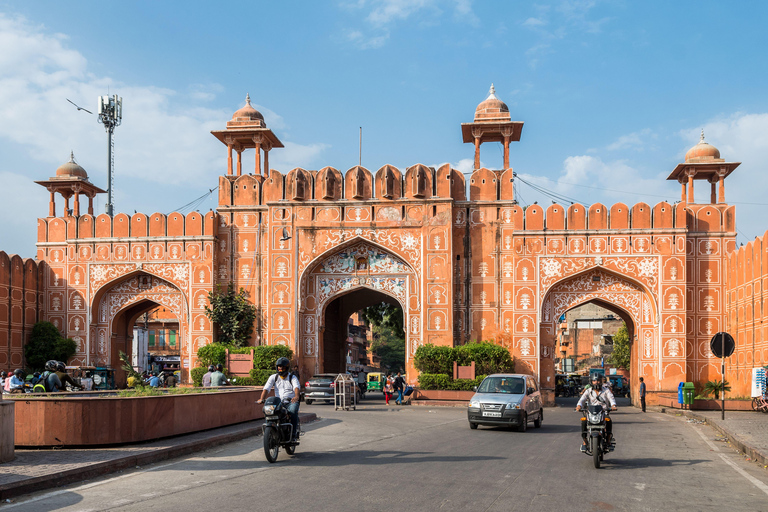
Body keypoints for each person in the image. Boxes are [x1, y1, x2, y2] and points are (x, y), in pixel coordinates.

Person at [257, 357, 301, 441]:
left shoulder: (292, 377)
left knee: (293, 410)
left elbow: (296, 387)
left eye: (282, 367)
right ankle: (269, 433)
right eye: (278, 367)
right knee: (268, 412)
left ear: (286, 368)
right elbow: (266, 388)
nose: (280, 369)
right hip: (278, 402)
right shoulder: (274, 377)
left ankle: (293, 434)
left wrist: (296, 396)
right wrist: (261, 398)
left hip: (290, 401)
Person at [576, 373, 617, 453]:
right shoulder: (588, 391)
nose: (596, 382)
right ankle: (585, 441)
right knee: (584, 421)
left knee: (608, 421)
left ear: (601, 381)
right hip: (591, 413)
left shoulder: (606, 390)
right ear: (591, 381)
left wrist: (613, 405)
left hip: (603, 412)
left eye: (598, 380)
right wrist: (579, 406)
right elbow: (582, 399)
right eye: (594, 380)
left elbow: (611, 398)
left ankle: (608, 440)